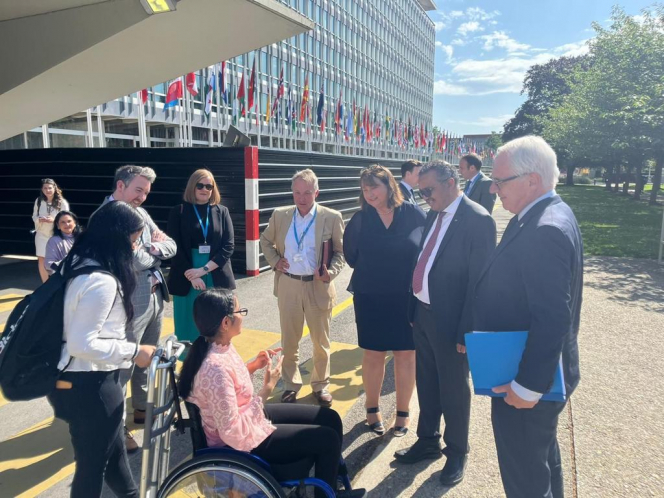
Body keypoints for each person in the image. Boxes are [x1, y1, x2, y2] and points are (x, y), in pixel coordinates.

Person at [473, 136, 583, 498]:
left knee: (525, 480)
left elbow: (552, 318)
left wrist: (527, 387)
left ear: (532, 181)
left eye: (501, 180)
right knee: (542, 463)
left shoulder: (544, 229)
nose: (493, 188)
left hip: (529, 381)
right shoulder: (545, 214)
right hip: (535, 373)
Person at [179, 288, 366, 498]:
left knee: (329, 417)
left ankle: (332, 484)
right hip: (240, 443)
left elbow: (229, 386)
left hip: (247, 418)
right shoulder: (214, 369)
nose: (242, 316)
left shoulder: (216, 346)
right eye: (241, 312)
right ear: (225, 323)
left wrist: (253, 366)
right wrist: (267, 389)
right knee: (327, 439)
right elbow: (232, 432)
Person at [394, 161, 496, 488]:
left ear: (451, 182)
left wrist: (468, 329)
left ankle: (457, 451)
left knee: (453, 387)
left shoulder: (478, 220)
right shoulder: (433, 213)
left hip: (452, 320)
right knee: (427, 381)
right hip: (423, 313)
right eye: (421, 191)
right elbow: (424, 259)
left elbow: (480, 282)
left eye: (429, 190)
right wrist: (414, 306)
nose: (425, 197)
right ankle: (428, 440)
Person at [47, 201, 157, 498]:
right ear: (116, 239)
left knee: (114, 457)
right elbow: (82, 343)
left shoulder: (78, 262)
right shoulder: (101, 281)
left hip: (76, 381)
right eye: (132, 242)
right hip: (91, 386)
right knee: (92, 468)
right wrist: (134, 352)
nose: (134, 250)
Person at [343, 165, 426, 437]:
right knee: (374, 354)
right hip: (370, 296)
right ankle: (372, 408)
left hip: (406, 297)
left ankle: (403, 412)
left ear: (390, 186)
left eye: (374, 187)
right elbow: (351, 256)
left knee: (406, 354)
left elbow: (425, 251)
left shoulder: (413, 214)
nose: (369, 194)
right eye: (364, 189)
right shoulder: (360, 220)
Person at [100, 165, 177, 450]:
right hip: (128, 303)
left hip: (154, 297)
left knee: (147, 356)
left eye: (146, 192)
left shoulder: (141, 213)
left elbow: (171, 244)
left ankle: (142, 409)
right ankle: (115, 429)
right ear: (120, 185)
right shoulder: (108, 217)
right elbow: (131, 261)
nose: (142, 197)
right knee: (122, 366)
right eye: (138, 190)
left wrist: (155, 249)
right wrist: (155, 252)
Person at [259, 169, 345, 407]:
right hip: (289, 285)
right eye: (297, 192)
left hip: (317, 286)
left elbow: (340, 251)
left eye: (307, 192)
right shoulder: (280, 215)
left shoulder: (331, 216)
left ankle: (320, 385)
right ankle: (290, 384)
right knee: (290, 341)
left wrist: (332, 273)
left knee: (321, 342)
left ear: (316, 192)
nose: (302, 198)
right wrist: (275, 261)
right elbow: (265, 241)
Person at [167, 169, 235, 344]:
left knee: (217, 323)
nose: (205, 189)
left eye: (209, 186)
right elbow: (175, 247)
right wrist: (191, 275)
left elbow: (228, 246)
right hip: (186, 273)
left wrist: (203, 270)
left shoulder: (222, 211)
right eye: (200, 185)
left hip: (213, 270)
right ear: (192, 186)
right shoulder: (179, 211)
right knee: (187, 324)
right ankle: (190, 366)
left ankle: (215, 365)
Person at [32, 178, 70, 282]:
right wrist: (39, 219)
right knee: (41, 259)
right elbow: (34, 215)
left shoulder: (62, 202)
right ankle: (45, 285)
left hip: (55, 234)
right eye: (45, 188)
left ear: (54, 188)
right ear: (42, 189)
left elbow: (66, 218)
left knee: (57, 259)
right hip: (41, 234)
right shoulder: (39, 201)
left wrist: (54, 220)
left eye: (50, 188)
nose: (47, 190)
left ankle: (57, 283)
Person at [44, 211, 81, 276]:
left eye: (69, 221)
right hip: (64, 277)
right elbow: (48, 264)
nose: (67, 224)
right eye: (63, 222)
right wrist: (65, 265)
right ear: (58, 225)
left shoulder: (84, 238)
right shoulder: (54, 241)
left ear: (75, 223)